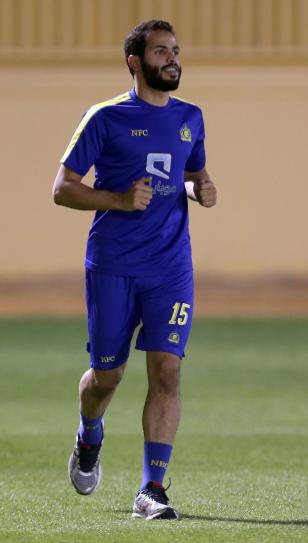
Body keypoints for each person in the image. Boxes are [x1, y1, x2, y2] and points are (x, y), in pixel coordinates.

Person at [52, 19, 217, 520]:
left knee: (167, 370)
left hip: (171, 266)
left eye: (176, 50)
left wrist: (200, 189)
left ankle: (152, 489)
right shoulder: (104, 117)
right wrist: (118, 200)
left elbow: (188, 174)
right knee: (107, 377)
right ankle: (89, 433)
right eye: (161, 51)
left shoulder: (191, 117)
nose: (173, 59)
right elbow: (62, 188)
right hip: (113, 265)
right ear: (135, 62)